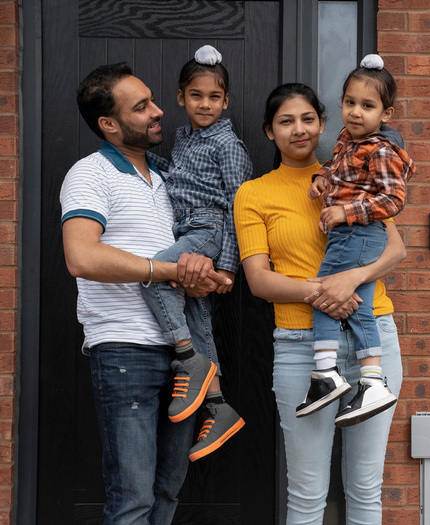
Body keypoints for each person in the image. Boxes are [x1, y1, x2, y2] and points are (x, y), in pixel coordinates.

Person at [60, 63, 230, 523]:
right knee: (133, 498)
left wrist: (205, 273)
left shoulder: (169, 175)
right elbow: (82, 257)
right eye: (142, 107)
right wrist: (165, 270)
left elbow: (189, 255)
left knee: (167, 494)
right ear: (109, 124)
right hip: (125, 352)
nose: (158, 112)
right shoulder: (90, 174)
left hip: (186, 355)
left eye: (153, 100)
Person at [234, 82, 405, 524]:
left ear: (323, 123)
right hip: (300, 347)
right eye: (285, 121)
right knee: (308, 494)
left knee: (366, 490)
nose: (298, 129)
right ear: (269, 132)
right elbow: (259, 280)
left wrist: (349, 280)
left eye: (308, 119)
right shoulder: (253, 193)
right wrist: (324, 291)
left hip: (374, 341)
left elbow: (396, 250)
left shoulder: (349, 175)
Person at [142, 45, 250, 462]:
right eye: (197, 95)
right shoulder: (185, 137)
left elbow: (241, 207)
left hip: (208, 227)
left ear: (226, 101)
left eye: (215, 97)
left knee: (151, 275)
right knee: (195, 309)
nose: (205, 104)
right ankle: (219, 405)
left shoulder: (228, 145)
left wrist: (227, 267)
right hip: (187, 223)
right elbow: (183, 178)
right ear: (180, 97)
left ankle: (188, 358)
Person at [300, 54, 415, 426]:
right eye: (350, 103)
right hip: (351, 235)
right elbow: (338, 171)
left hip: (358, 233)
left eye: (367, 106)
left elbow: (393, 200)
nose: (355, 112)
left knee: (325, 295)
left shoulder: (381, 149)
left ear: (387, 113)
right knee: (358, 305)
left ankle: (326, 373)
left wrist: (344, 212)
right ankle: (370, 380)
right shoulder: (348, 140)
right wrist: (322, 178)